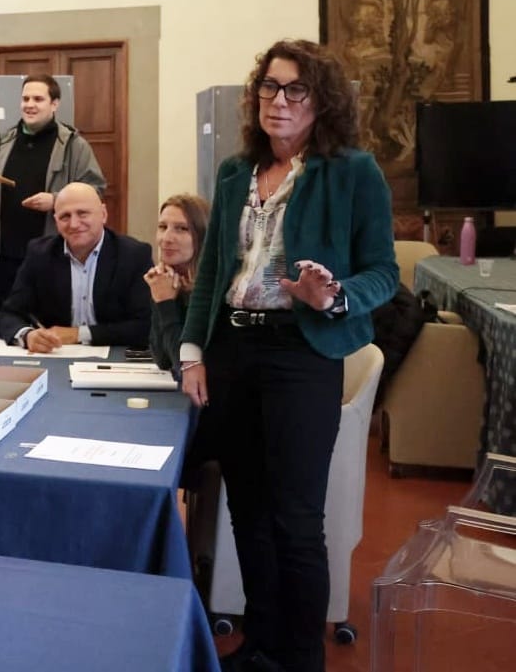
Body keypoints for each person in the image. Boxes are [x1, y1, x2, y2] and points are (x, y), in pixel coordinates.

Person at [179, 39, 397, 672]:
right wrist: (194, 351)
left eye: (295, 89)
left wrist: (333, 297)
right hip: (234, 349)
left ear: (319, 99)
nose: (279, 100)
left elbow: (383, 273)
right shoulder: (232, 172)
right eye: (269, 87)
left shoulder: (353, 170)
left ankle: (300, 659)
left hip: (302, 351)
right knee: (246, 509)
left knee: (296, 518)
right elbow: (216, 268)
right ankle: (260, 645)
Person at [0, 74, 106, 337]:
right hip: (3, 259)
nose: (30, 104)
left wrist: (56, 200)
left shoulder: (74, 146)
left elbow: (96, 192)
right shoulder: (2, 143)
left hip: (50, 258)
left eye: (38, 99)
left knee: (45, 335)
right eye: (25, 98)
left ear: (54, 104)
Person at [0, 182, 152, 352]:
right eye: (65, 216)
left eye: (82, 214)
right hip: (56, 357)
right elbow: (10, 313)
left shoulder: (134, 255)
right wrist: (28, 336)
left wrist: (79, 334)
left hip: (116, 359)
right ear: (56, 221)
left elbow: (145, 325)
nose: (74, 224)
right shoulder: (40, 254)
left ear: (103, 214)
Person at [143, 193, 210, 374]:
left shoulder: (209, 291)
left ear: (202, 235)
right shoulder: (170, 281)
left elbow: (185, 367)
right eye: (162, 227)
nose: (166, 238)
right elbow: (162, 360)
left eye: (181, 229)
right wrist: (160, 299)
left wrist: (165, 304)